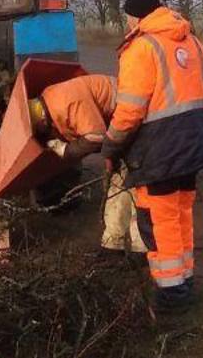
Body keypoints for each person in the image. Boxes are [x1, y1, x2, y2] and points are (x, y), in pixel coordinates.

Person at [102, 0, 203, 311]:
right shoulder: (191, 41)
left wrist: (111, 145)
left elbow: (130, 110)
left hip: (160, 148)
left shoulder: (142, 48)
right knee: (181, 214)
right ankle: (185, 279)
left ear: (136, 17)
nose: (127, 24)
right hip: (194, 141)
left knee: (159, 219)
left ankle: (172, 295)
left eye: (128, 19)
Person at [27, 75, 146, 257]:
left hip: (134, 121)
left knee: (137, 186)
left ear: (42, 121)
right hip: (121, 123)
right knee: (120, 182)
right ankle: (113, 245)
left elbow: (95, 137)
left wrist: (66, 151)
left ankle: (141, 248)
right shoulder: (50, 97)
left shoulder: (66, 103)